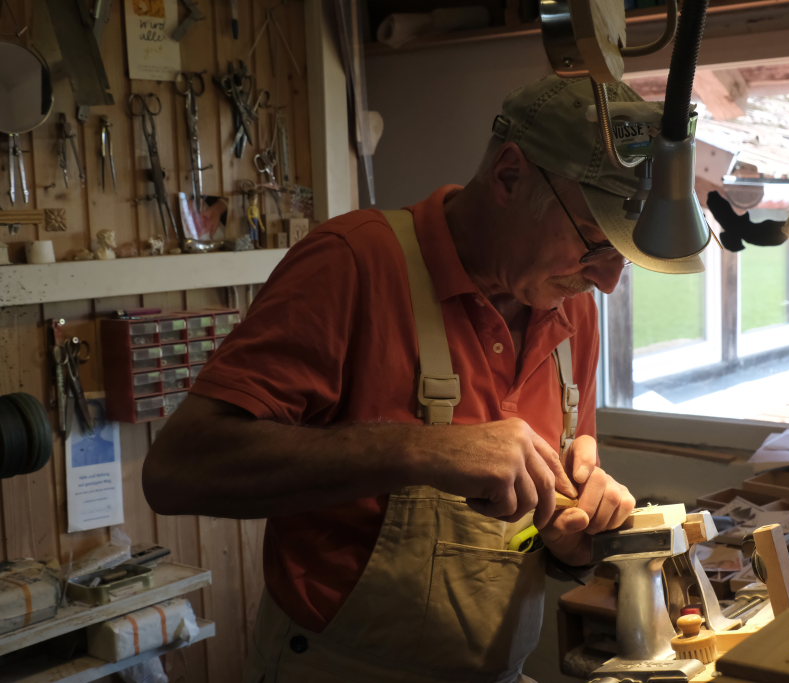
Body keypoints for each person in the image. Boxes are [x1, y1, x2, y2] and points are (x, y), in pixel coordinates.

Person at [143, 74, 706, 683]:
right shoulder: (353, 264)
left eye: (624, 258)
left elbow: (531, 526)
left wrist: (571, 543)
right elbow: (178, 471)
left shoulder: (571, 308)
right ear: (509, 175)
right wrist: (422, 450)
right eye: (595, 242)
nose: (607, 282)